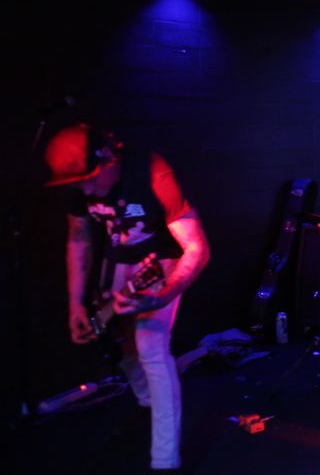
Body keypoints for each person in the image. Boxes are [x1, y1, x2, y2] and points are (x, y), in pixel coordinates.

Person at [44, 123, 210, 472]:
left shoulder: (152, 174)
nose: (85, 190)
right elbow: (79, 237)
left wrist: (162, 296)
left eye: (89, 180)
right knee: (118, 345)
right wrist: (75, 303)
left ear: (109, 160)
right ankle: (147, 404)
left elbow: (196, 247)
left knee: (151, 349)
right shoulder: (78, 186)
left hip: (162, 259)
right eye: (77, 184)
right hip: (118, 259)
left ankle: (165, 461)